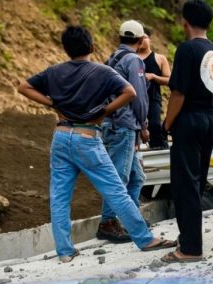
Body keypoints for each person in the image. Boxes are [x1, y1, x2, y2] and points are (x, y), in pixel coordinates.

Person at [17, 26, 176, 262]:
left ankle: (65, 251)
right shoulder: (101, 71)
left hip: (60, 137)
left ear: (65, 49)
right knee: (116, 191)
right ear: (92, 47)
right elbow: (130, 92)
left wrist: (53, 105)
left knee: (59, 197)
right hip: (87, 138)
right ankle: (145, 239)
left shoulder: (54, 72)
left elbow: (24, 87)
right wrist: (103, 112)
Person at [161, 0, 213, 264]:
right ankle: (188, 237)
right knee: (196, 183)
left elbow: (178, 93)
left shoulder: (187, 49)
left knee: (184, 185)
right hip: (210, 119)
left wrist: (166, 124)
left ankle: (190, 249)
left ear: (184, 22)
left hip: (189, 119)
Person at [96, 20, 151, 243]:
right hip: (124, 125)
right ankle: (107, 223)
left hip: (110, 124)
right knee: (119, 176)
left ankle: (131, 219)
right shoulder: (134, 60)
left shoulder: (111, 59)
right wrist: (144, 125)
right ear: (140, 40)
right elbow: (138, 96)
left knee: (137, 177)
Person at [139, 27, 171, 149]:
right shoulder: (130, 58)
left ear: (150, 39)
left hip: (153, 98)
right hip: (134, 99)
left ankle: (160, 152)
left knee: (154, 125)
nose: (141, 40)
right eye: (139, 38)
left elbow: (169, 80)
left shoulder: (159, 58)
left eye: (144, 37)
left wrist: (153, 77)